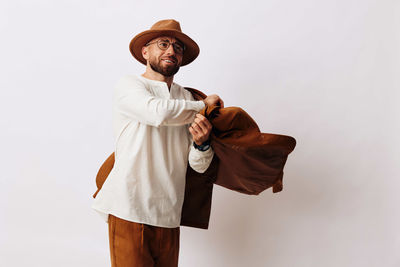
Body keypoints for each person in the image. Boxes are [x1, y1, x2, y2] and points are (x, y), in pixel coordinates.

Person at [92, 19, 224, 267]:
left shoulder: (185, 98)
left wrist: (202, 144)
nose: (171, 51)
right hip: (129, 209)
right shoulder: (130, 85)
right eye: (163, 44)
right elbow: (157, 113)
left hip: (169, 216)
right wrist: (203, 107)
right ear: (145, 51)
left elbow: (198, 165)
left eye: (178, 47)